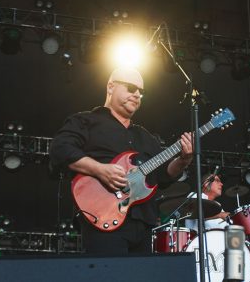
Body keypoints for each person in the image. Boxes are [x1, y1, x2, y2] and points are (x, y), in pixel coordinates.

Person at [49, 67, 193, 254]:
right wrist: (100, 169)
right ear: (110, 87)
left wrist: (183, 160)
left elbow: (163, 176)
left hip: (143, 223)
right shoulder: (86, 121)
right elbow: (60, 150)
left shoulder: (146, 137)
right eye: (131, 88)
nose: (137, 94)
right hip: (102, 217)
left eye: (141, 92)